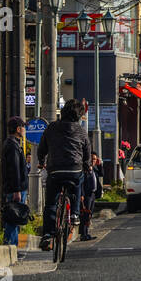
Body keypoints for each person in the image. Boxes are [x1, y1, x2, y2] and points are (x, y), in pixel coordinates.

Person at [36, 98, 91, 251]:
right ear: (79, 116)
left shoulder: (52, 127)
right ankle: (74, 213)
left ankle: (47, 234)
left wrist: (41, 161)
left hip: (55, 170)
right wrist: (87, 166)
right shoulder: (81, 131)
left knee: (51, 204)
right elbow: (87, 153)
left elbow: (42, 149)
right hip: (74, 170)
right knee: (78, 180)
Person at [0, 116, 28, 247]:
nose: (24, 130)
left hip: (13, 188)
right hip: (15, 189)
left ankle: (12, 247)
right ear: (18, 129)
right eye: (23, 127)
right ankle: (10, 247)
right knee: (13, 218)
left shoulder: (12, 143)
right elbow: (14, 169)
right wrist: (17, 190)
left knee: (14, 219)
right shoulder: (13, 146)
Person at [79, 151, 103, 241]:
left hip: (93, 194)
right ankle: (83, 234)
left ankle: (86, 233)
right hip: (86, 194)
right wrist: (82, 194)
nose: (93, 161)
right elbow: (81, 183)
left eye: (95, 159)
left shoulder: (94, 169)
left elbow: (102, 174)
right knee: (85, 213)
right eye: (92, 159)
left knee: (90, 214)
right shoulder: (84, 170)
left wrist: (100, 165)